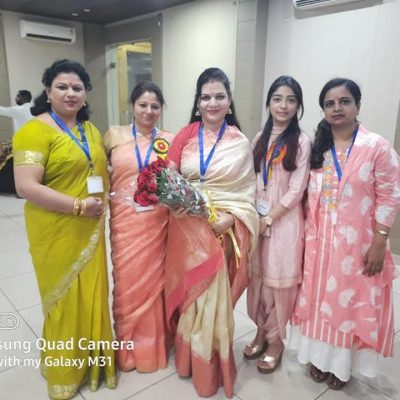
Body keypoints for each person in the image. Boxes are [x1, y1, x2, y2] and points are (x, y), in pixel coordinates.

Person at [13, 59, 116, 399]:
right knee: (65, 301)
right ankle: (65, 374)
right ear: (48, 92)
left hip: (91, 230)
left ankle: (92, 364)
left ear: (85, 94)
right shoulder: (34, 130)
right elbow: (26, 186)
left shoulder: (90, 130)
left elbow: (99, 169)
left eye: (77, 87)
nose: (70, 93)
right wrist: (78, 207)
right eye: (62, 87)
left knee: (92, 296)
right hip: (57, 230)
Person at [290, 78, 400, 390]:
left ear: (357, 106)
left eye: (344, 101)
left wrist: (379, 241)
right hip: (319, 243)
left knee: (348, 303)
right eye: (330, 103)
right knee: (316, 299)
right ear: (323, 110)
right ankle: (318, 357)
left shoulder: (376, 147)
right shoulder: (318, 148)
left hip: (356, 246)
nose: (337, 108)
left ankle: (340, 365)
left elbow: (390, 195)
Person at [165, 67, 259, 398]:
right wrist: (175, 203)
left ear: (229, 102)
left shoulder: (239, 142)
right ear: (198, 102)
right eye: (206, 97)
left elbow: (248, 192)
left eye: (219, 96)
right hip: (187, 227)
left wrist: (232, 218)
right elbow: (172, 178)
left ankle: (210, 367)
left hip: (222, 230)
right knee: (191, 295)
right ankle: (188, 359)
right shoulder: (187, 137)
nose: (212, 103)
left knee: (213, 299)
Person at [104, 81, 174, 372]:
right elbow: (100, 171)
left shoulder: (169, 140)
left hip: (157, 221)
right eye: (143, 105)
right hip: (124, 221)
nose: (148, 111)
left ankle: (152, 347)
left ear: (161, 109)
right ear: (132, 106)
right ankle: (127, 347)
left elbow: (176, 180)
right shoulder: (114, 135)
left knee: (155, 281)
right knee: (126, 280)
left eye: (155, 106)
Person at [244, 76, 311, 373]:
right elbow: (251, 178)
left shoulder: (301, 142)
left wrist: (269, 217)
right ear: (269, 102)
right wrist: (254, 215)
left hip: (283, 222)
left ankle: (276, 341)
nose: (283, 106)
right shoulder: (260, 138)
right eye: (277, 99)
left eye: (291, 100)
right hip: (257, 219)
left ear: (298, 106)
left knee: (277, 284)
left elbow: (297, 190)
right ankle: (261, 331)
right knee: (257, 280)